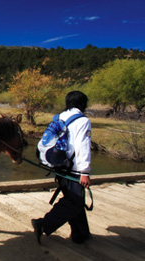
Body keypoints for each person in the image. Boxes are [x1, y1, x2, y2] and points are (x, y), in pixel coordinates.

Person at [32, 90, 92, 244]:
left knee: (73, 200)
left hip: (59, 164)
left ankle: (81, 234)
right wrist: (84, 172)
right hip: (74, 168)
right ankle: (43, 224)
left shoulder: (59, 117)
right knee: (75, 201)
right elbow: (82, 146)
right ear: (83, 104)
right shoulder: (82, 120)